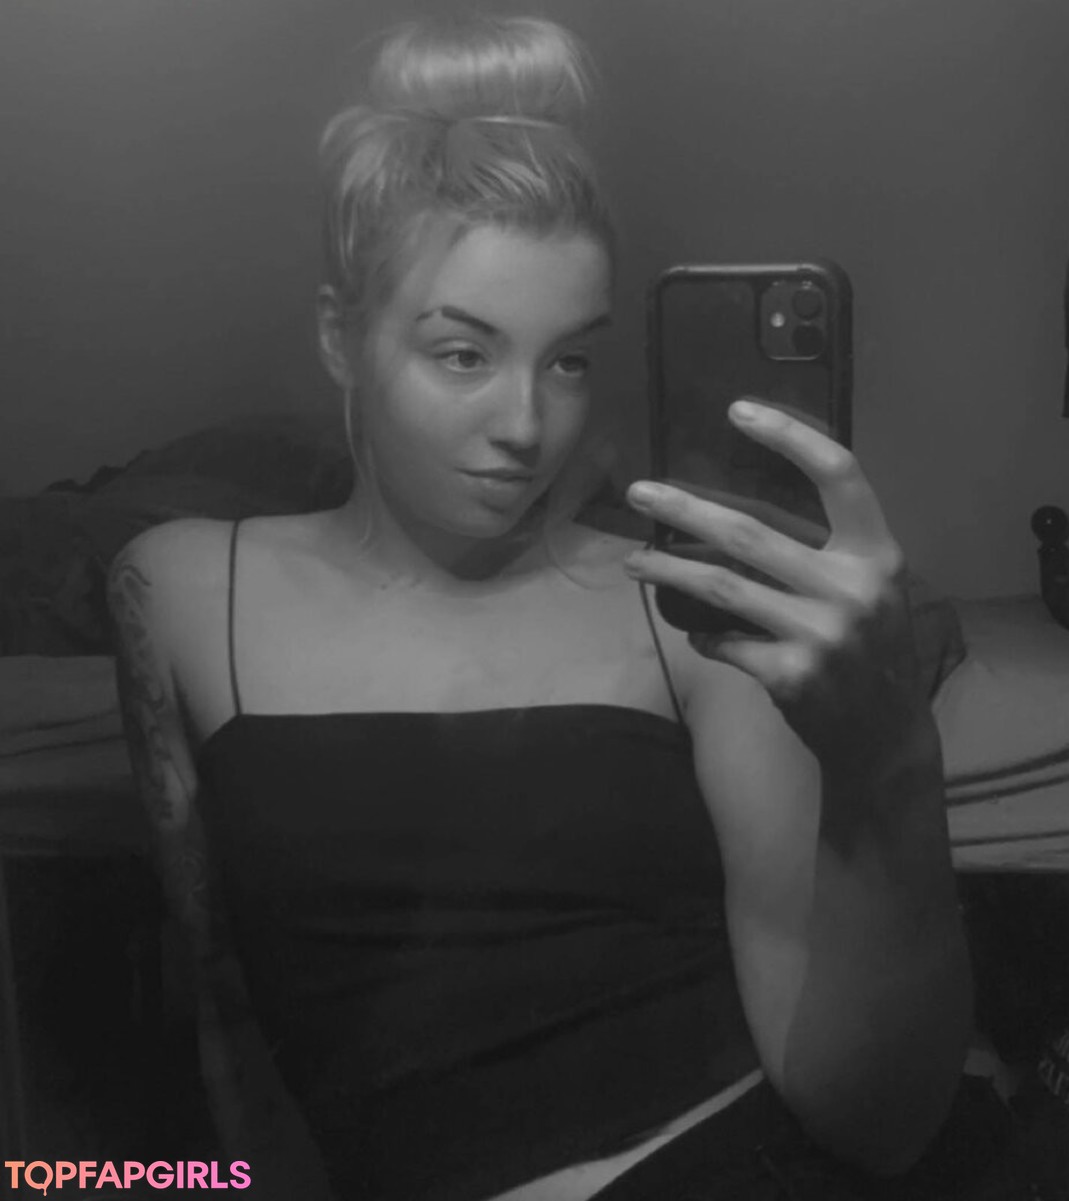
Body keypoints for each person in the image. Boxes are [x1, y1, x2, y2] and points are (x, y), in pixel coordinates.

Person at [106, 14, 989, 1201]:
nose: (526, 425)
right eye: (462, 354)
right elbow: (221, 1007)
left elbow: (870, 1118)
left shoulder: (686, 608)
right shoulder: (175, 589)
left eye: (569, 360)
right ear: (340, 337)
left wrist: (891, 761)